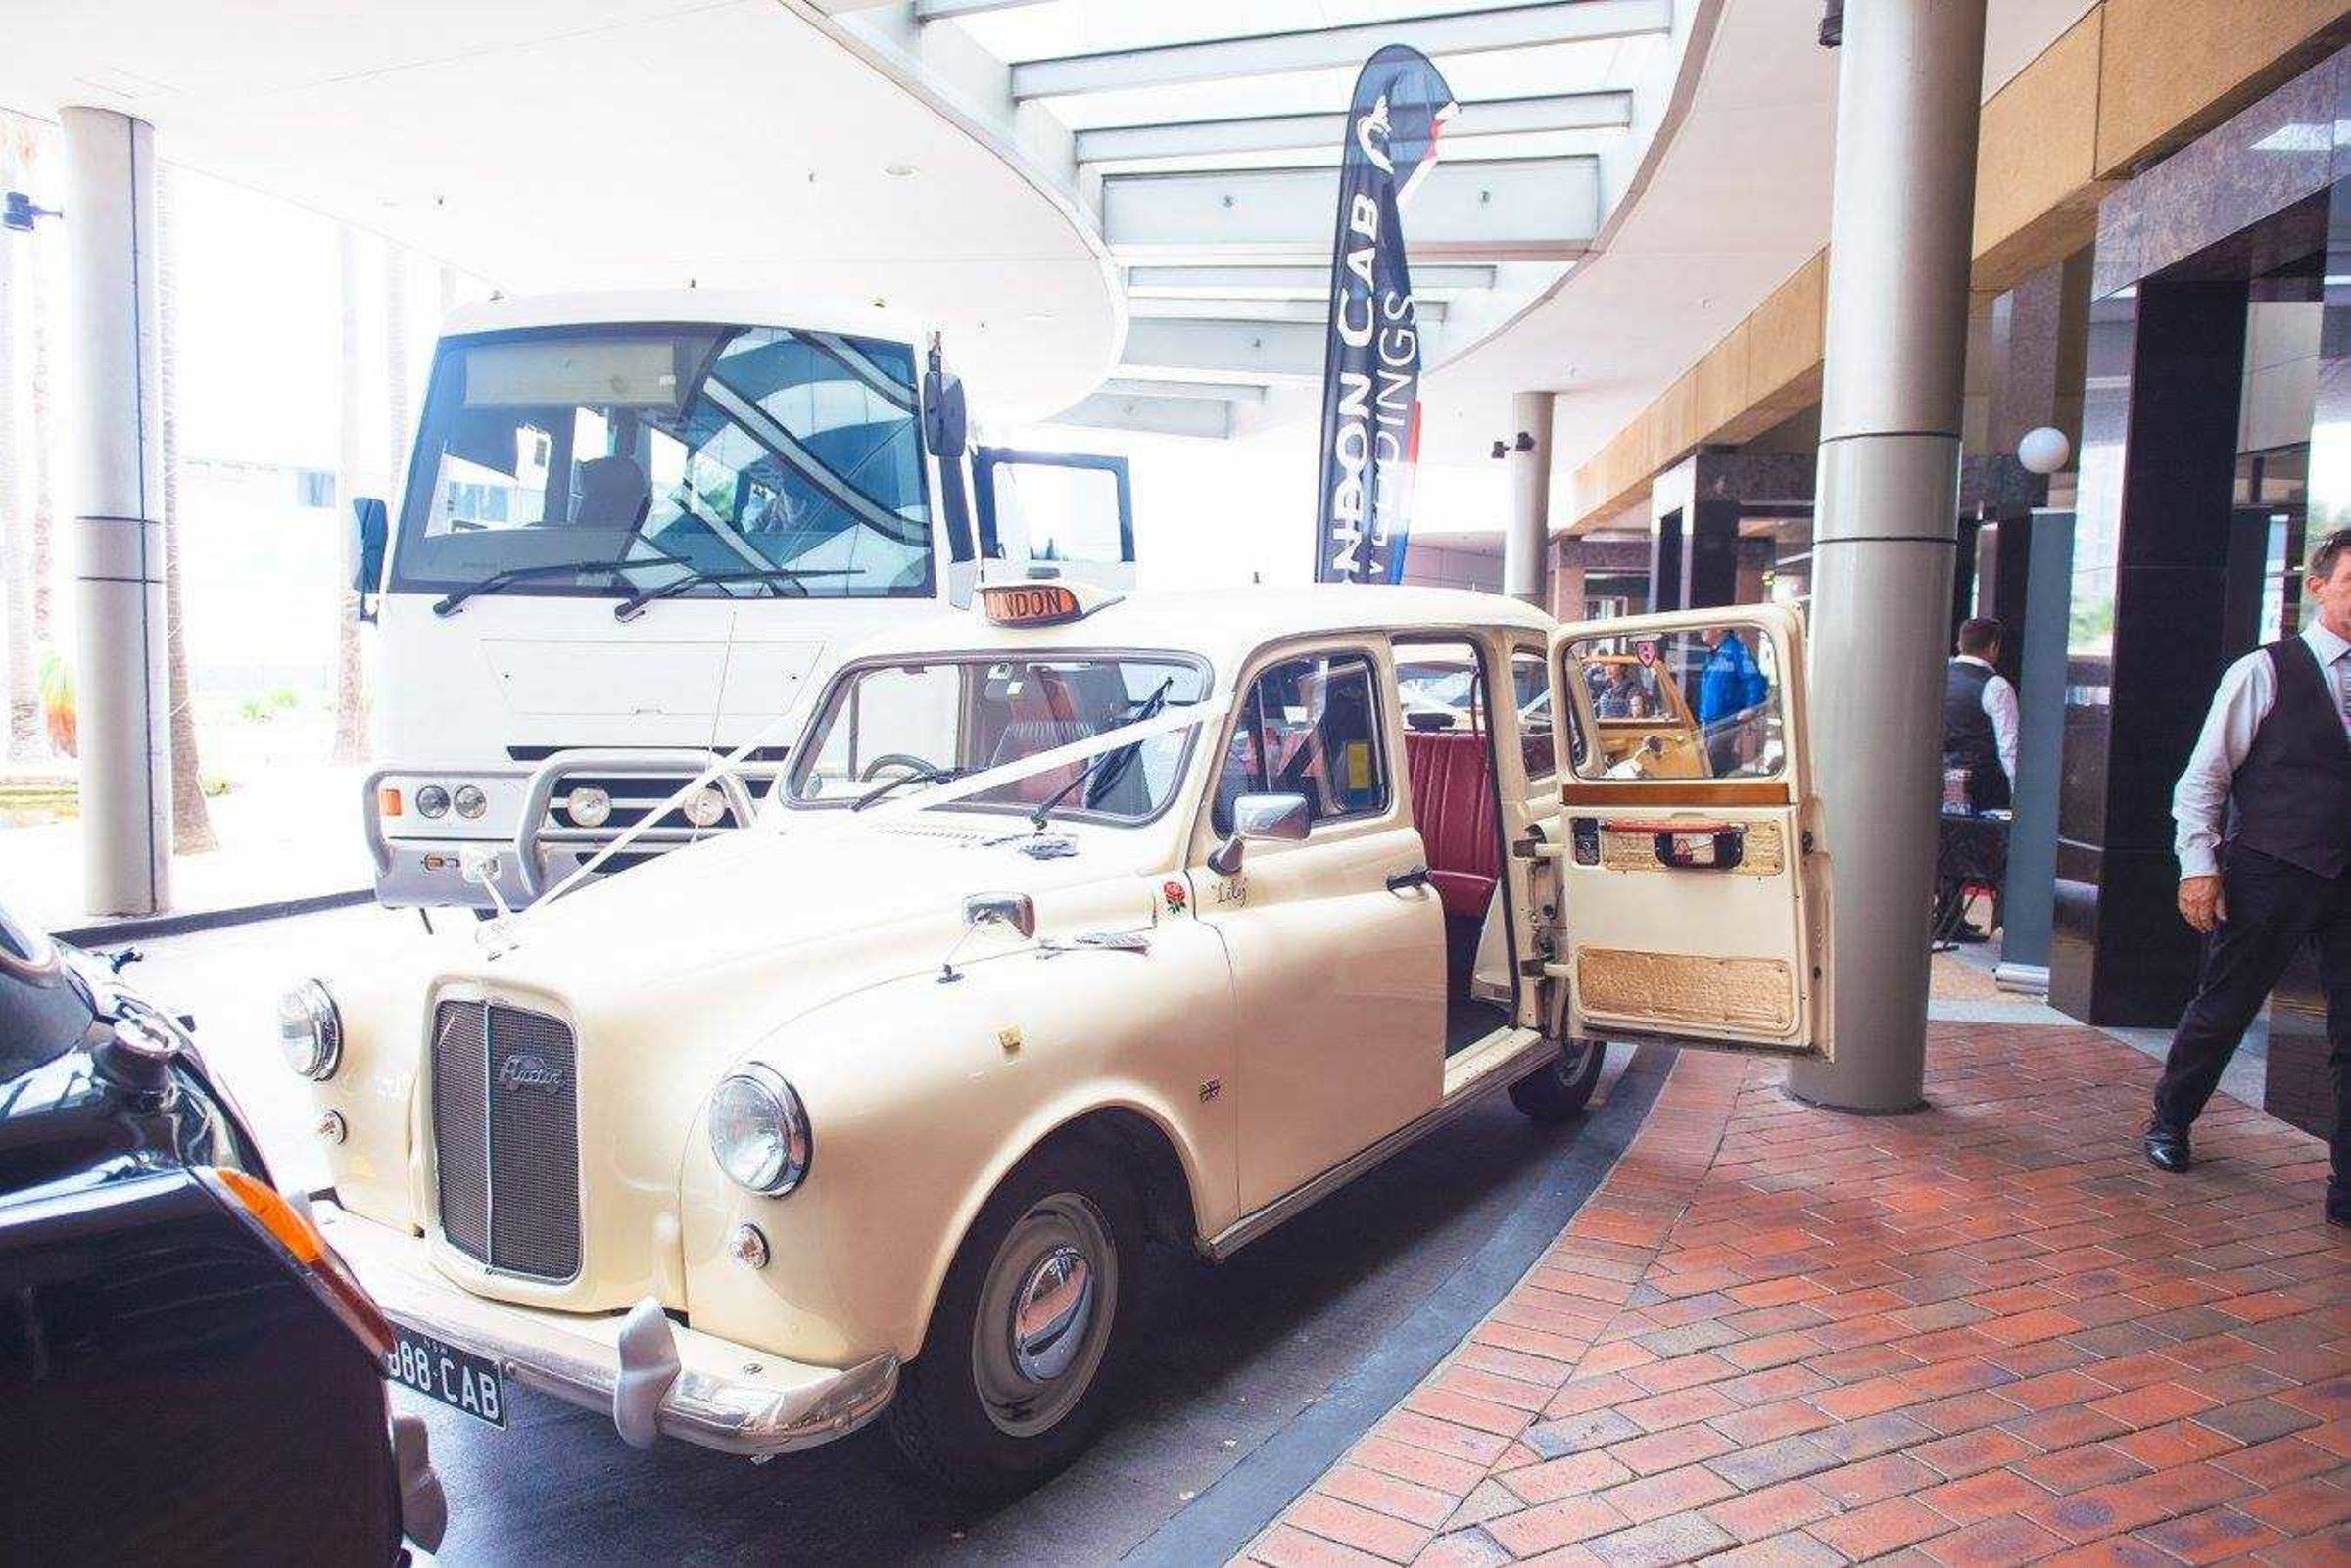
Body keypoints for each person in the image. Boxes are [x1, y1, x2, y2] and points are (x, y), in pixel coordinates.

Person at [2144, 527, 2351, 1229]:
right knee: (2227, 1005)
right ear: (2317, 587)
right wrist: (2198, 865)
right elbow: (2205, 776)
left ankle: (2346, 1186)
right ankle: (2171, 1117)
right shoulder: (2264, 670)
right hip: (2271, 865)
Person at [1943, 618, 2019, 813]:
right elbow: (2009, 747)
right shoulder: (1996, 686)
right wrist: (2019, 798)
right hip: (1983, 790)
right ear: (1994, 647)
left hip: (1942, 781)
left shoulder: (1939, 677)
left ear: (1960, 644)